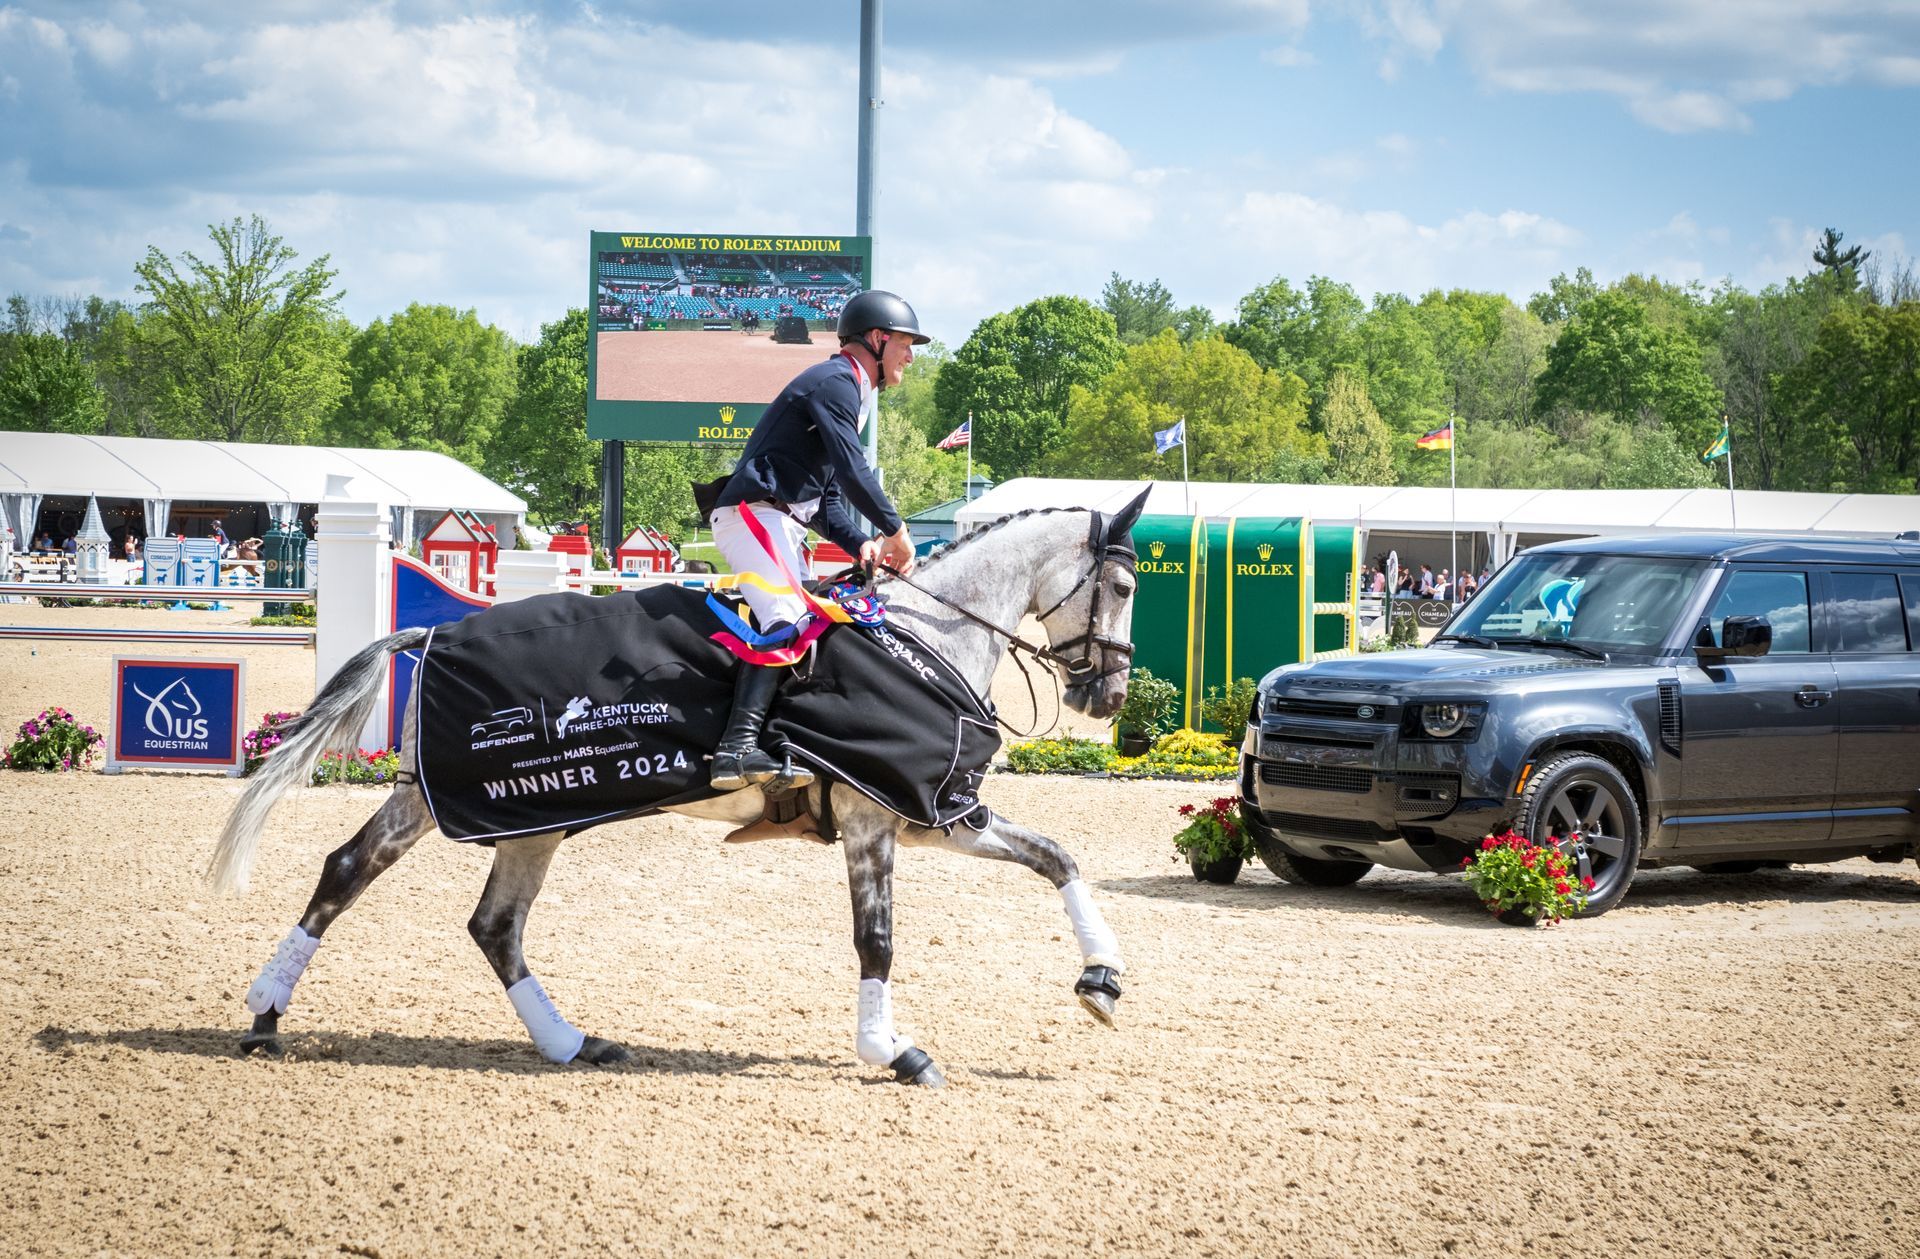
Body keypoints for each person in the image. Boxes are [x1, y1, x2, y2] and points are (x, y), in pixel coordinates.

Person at [702, 289, 928, 791]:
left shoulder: (850, 390)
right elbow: (852, 471)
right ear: (878, 338)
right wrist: (896, 531)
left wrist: (860, 543)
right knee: (789, 618)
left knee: (811, 629)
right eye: (906, 344)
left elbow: (825, 498)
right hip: (751, 515)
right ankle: (735, 750)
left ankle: (783, 739)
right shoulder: (836, 383)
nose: (911, 356)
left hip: (778, 520)